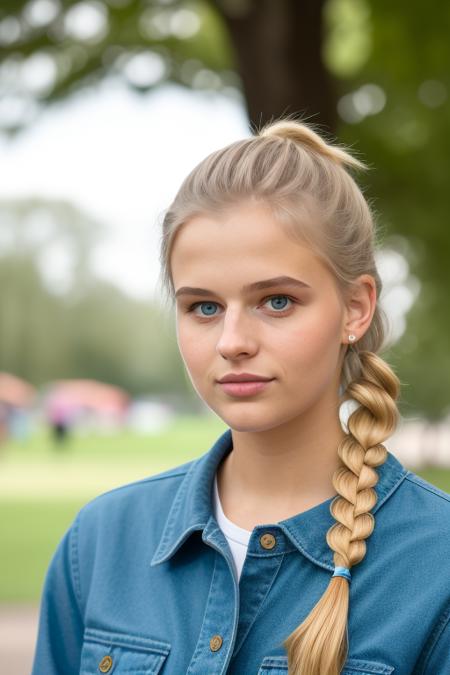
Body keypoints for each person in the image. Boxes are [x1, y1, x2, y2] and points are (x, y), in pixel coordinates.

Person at [31, 119, 450, 675]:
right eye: (203, 307)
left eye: (276, 301)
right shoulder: (100, 543)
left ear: (356, 308)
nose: (232, 342)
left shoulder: (436, 564)